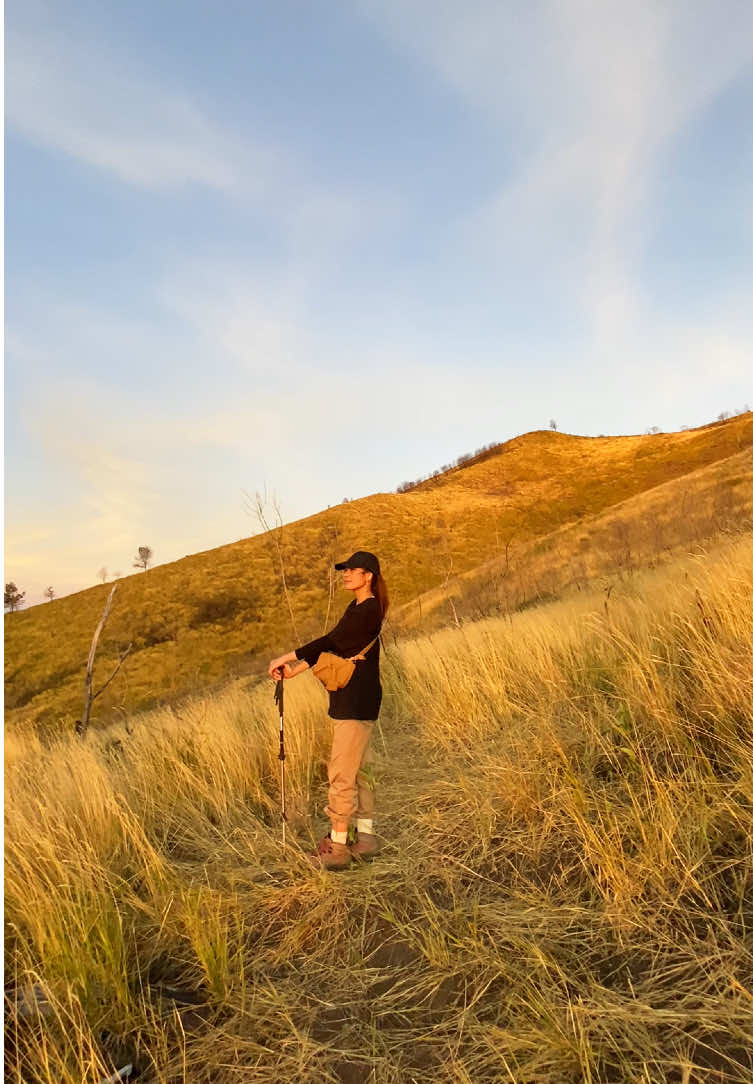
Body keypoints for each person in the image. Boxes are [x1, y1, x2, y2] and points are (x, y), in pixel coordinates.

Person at [268, 550, 388, 870]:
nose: (346, 574)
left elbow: (332, 639)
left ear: (368, 576)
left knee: (341, 774)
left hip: (355, 702)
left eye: (353, 570)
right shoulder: (358, 607)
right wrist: (296, 669)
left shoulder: (369, 609)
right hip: (356, 699)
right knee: (360, 772)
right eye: (345, 570)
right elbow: (336, 646)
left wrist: (287, 656)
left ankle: (337, 846)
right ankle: (365, 839)